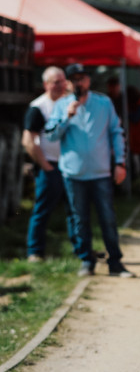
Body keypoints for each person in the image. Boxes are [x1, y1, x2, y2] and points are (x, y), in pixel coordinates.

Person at [45, 63, 135, 278]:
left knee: (108, 218)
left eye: (82, 78)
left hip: (101, 173)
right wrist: (66, 117)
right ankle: (87, 261)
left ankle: (115, 263)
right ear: (69, 82)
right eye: (74, 78)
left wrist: (120, 163)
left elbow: (116, 132)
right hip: (74, 175)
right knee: (80, 219)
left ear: (88, 80)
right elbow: (50, 136)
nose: (79, 82)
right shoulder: (62, 105)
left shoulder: (103, 103)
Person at [22, 66, 77, 262]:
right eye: (56, 82)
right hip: (51, 167)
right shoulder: (38, 107)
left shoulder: (69, 102)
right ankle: (34, 251)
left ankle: (80, 250)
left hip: (70, 167)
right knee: (42, 210)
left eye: (63, 81)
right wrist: (45, 165)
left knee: (74, 210)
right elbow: (28, 140)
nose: (60, 85)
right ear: (46, 84)